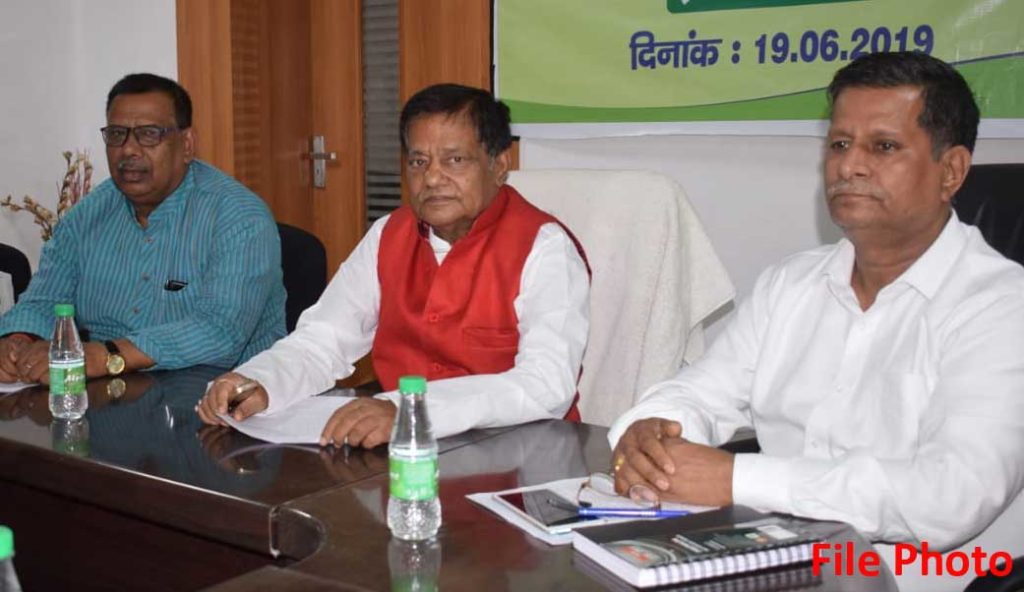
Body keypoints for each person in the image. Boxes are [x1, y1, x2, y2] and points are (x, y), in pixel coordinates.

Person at [609, 51, 1024, 558]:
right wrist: (653, 434)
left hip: (928, 575)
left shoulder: (1001, 306)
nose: (849, 165)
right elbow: (701, 391)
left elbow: (954, 496)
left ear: (951, 171)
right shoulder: (791, 284)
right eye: (840, 144)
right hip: (775, 556)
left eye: (884, 146)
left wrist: (735, 479)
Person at [197, 83, 590, 448]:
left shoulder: (544, 248)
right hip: (403, 453)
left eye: (454, 160)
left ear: (499, 164)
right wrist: (259, 381)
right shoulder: (389, 234)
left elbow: (546, 384)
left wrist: (410, 410)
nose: (432, 178)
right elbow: (325, 338)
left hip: (516, 456)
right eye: (418, 161)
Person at [0, 73, 286, 386]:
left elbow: (220, 330)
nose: (129, 150)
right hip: (108, 396)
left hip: (221, 396)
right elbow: (45, 299)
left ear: (187, 145)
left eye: (149, 135)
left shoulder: (239, 217)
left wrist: (106, 355)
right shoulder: (87, 216)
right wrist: (18, 341)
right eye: (117, 135)